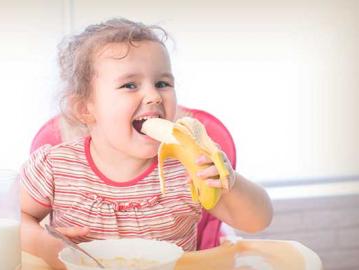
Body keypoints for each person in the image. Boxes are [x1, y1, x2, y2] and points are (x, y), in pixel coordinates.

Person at [19, 17, 273, 269]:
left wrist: (230, 181)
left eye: (162, 83)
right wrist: (44, 244)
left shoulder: (187, 170)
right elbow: (10, 219)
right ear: (85, 108)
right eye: (130, 85)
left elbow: (257, 221)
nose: (153, 96)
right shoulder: (56, 166)